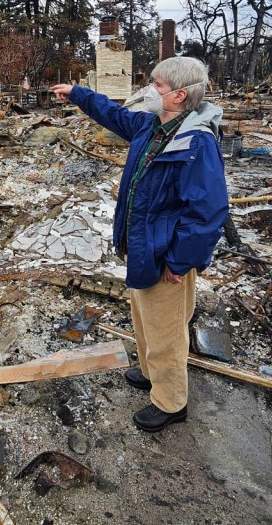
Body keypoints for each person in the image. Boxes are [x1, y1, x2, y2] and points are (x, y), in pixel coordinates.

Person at [50, 57, 229, 433]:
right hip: (144, 245)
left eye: (157, 85)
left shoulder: (196, 143)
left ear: (179, 95)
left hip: (167, 254)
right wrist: (78, 95)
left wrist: (180, 262)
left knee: (166, 331)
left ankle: (171, 402)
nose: (149, 91)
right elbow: (113, 115)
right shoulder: (152, 126)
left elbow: (208, 212)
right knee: (145, 319)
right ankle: (151, 375)